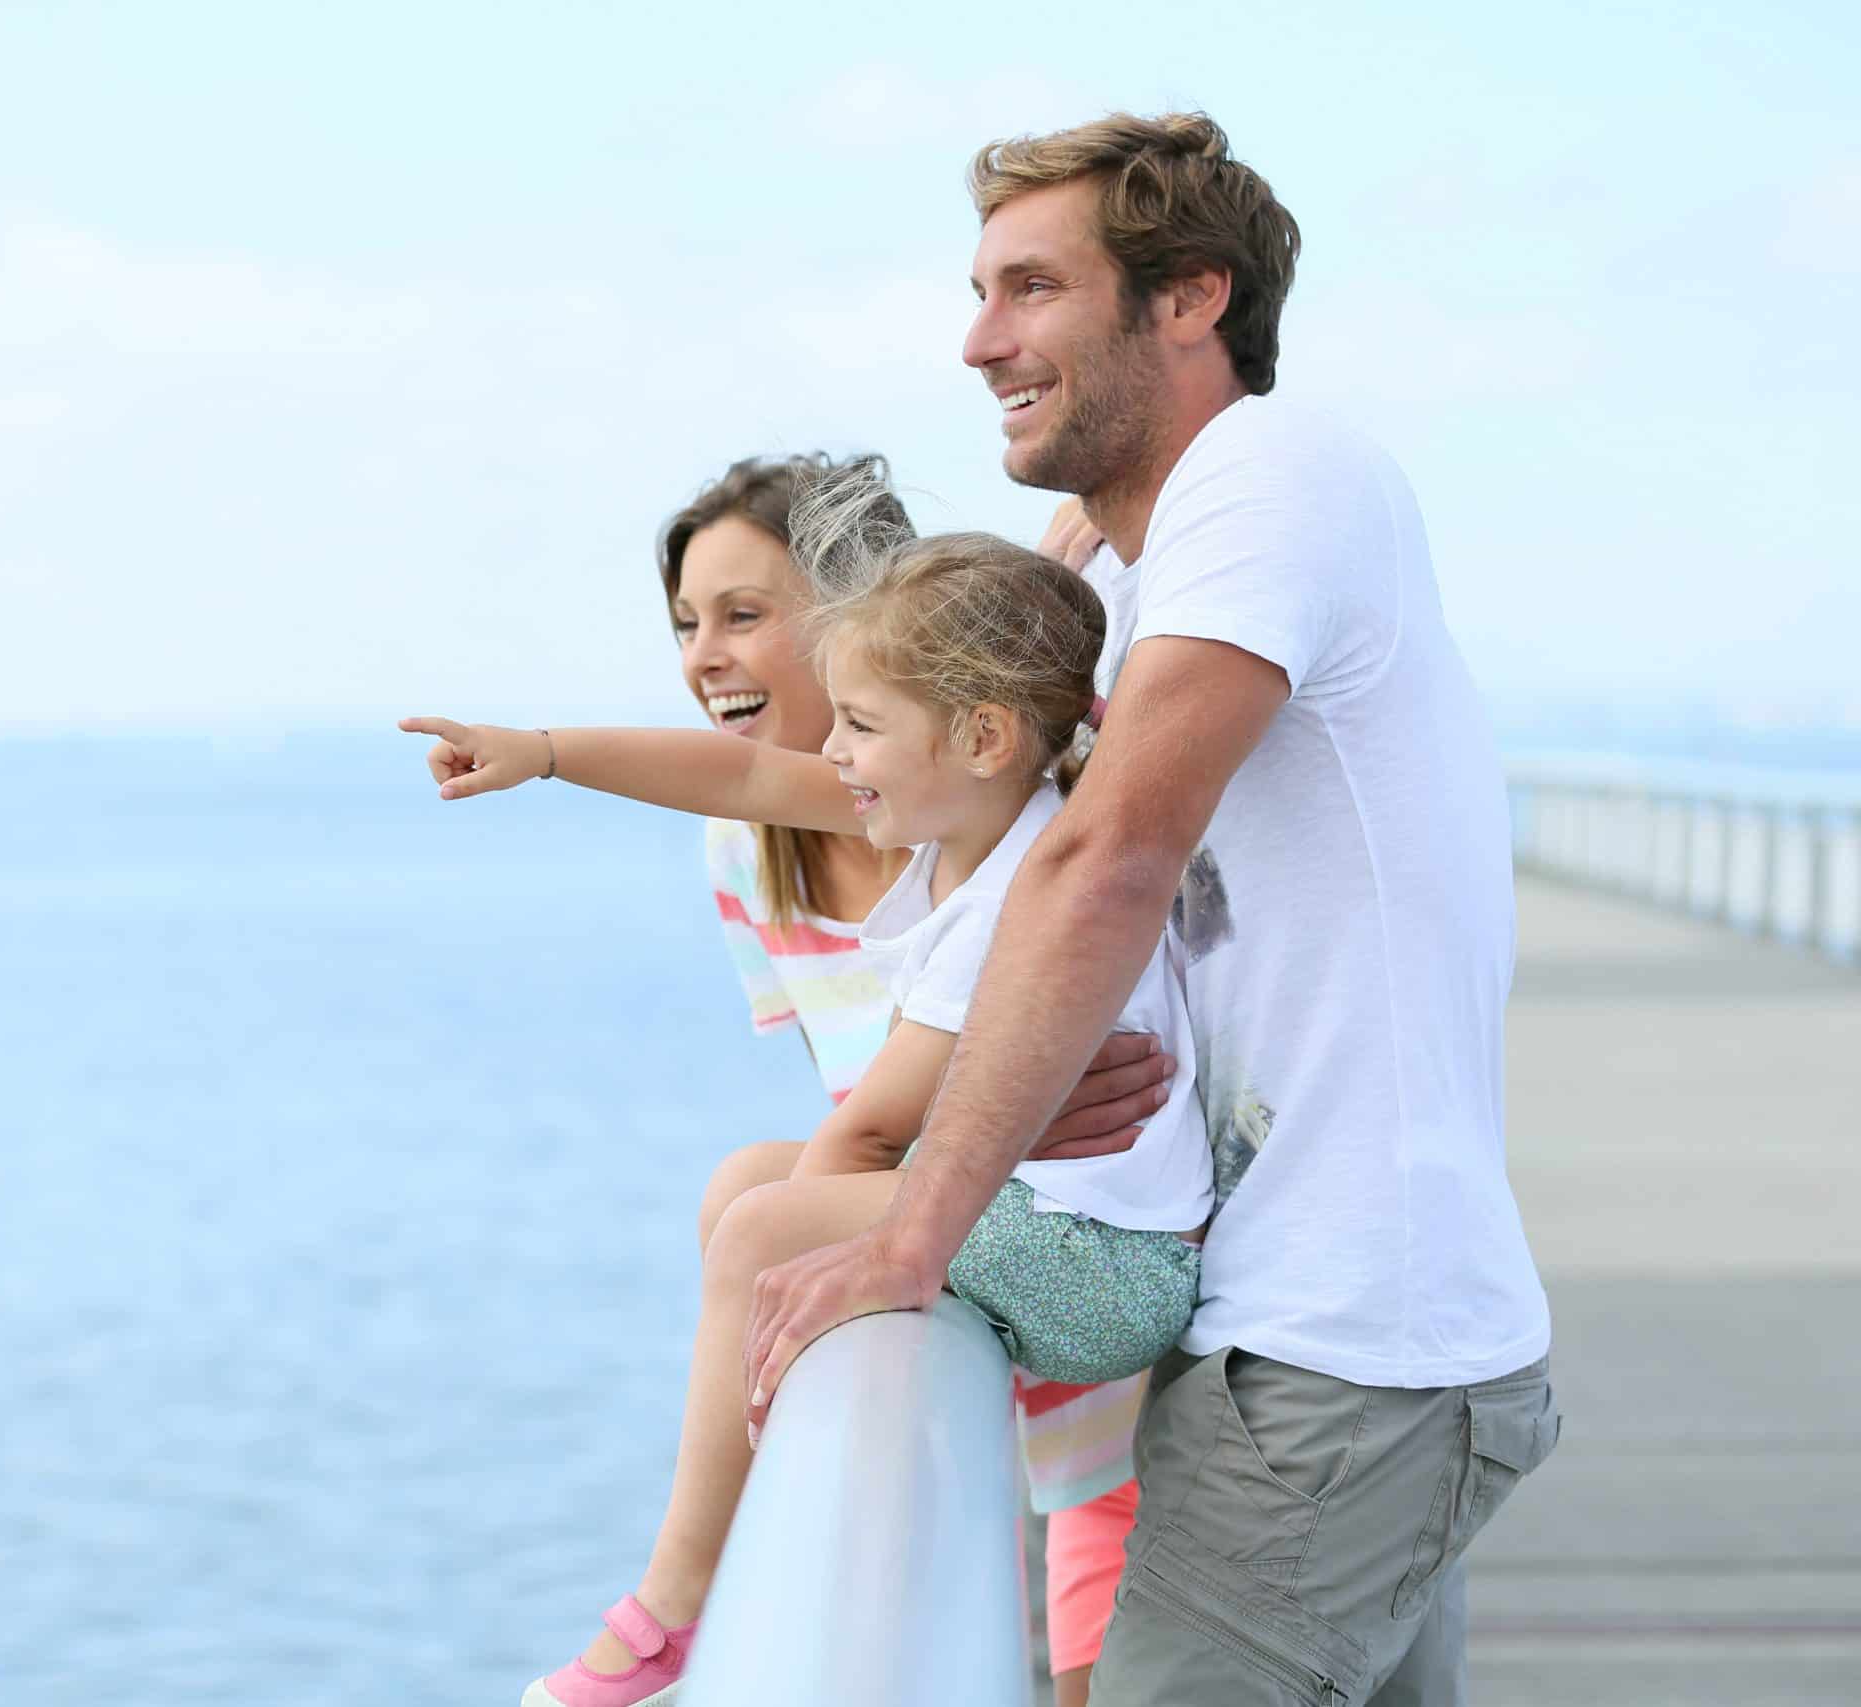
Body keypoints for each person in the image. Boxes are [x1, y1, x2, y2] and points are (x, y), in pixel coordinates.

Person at [732, 113, 1560, 1706]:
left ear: (1191, 298)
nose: (980, 341)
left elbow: (1106, 853)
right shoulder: (1141, 560)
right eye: (979, 291)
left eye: (1032, 288)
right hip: (1326, 1339)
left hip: (1346, 1356)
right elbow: (961, 769)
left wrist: (916, 1231)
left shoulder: (1273, 468)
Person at [403, 484, 1215, 1707]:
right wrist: (549, 755)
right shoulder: (984, 814)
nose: (829, 754)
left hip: (1099, 1268)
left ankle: (678, 1602)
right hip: (1078, 1233)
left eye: (857, 724)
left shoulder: (1007, 895)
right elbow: (733, 780)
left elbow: (873, 1128)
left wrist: (794, 1254)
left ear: (978, 736)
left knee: (765, 1221)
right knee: (750, 1186)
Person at [662, 455, 1177, 1703]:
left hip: (1071, 1250)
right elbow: (861, 1104)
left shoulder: (1000, 851)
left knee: (1089, 1528)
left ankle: (675, 1597)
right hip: (974, 1220)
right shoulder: (752, 853)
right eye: (685, 623)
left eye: (745, 613)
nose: (706, 654)